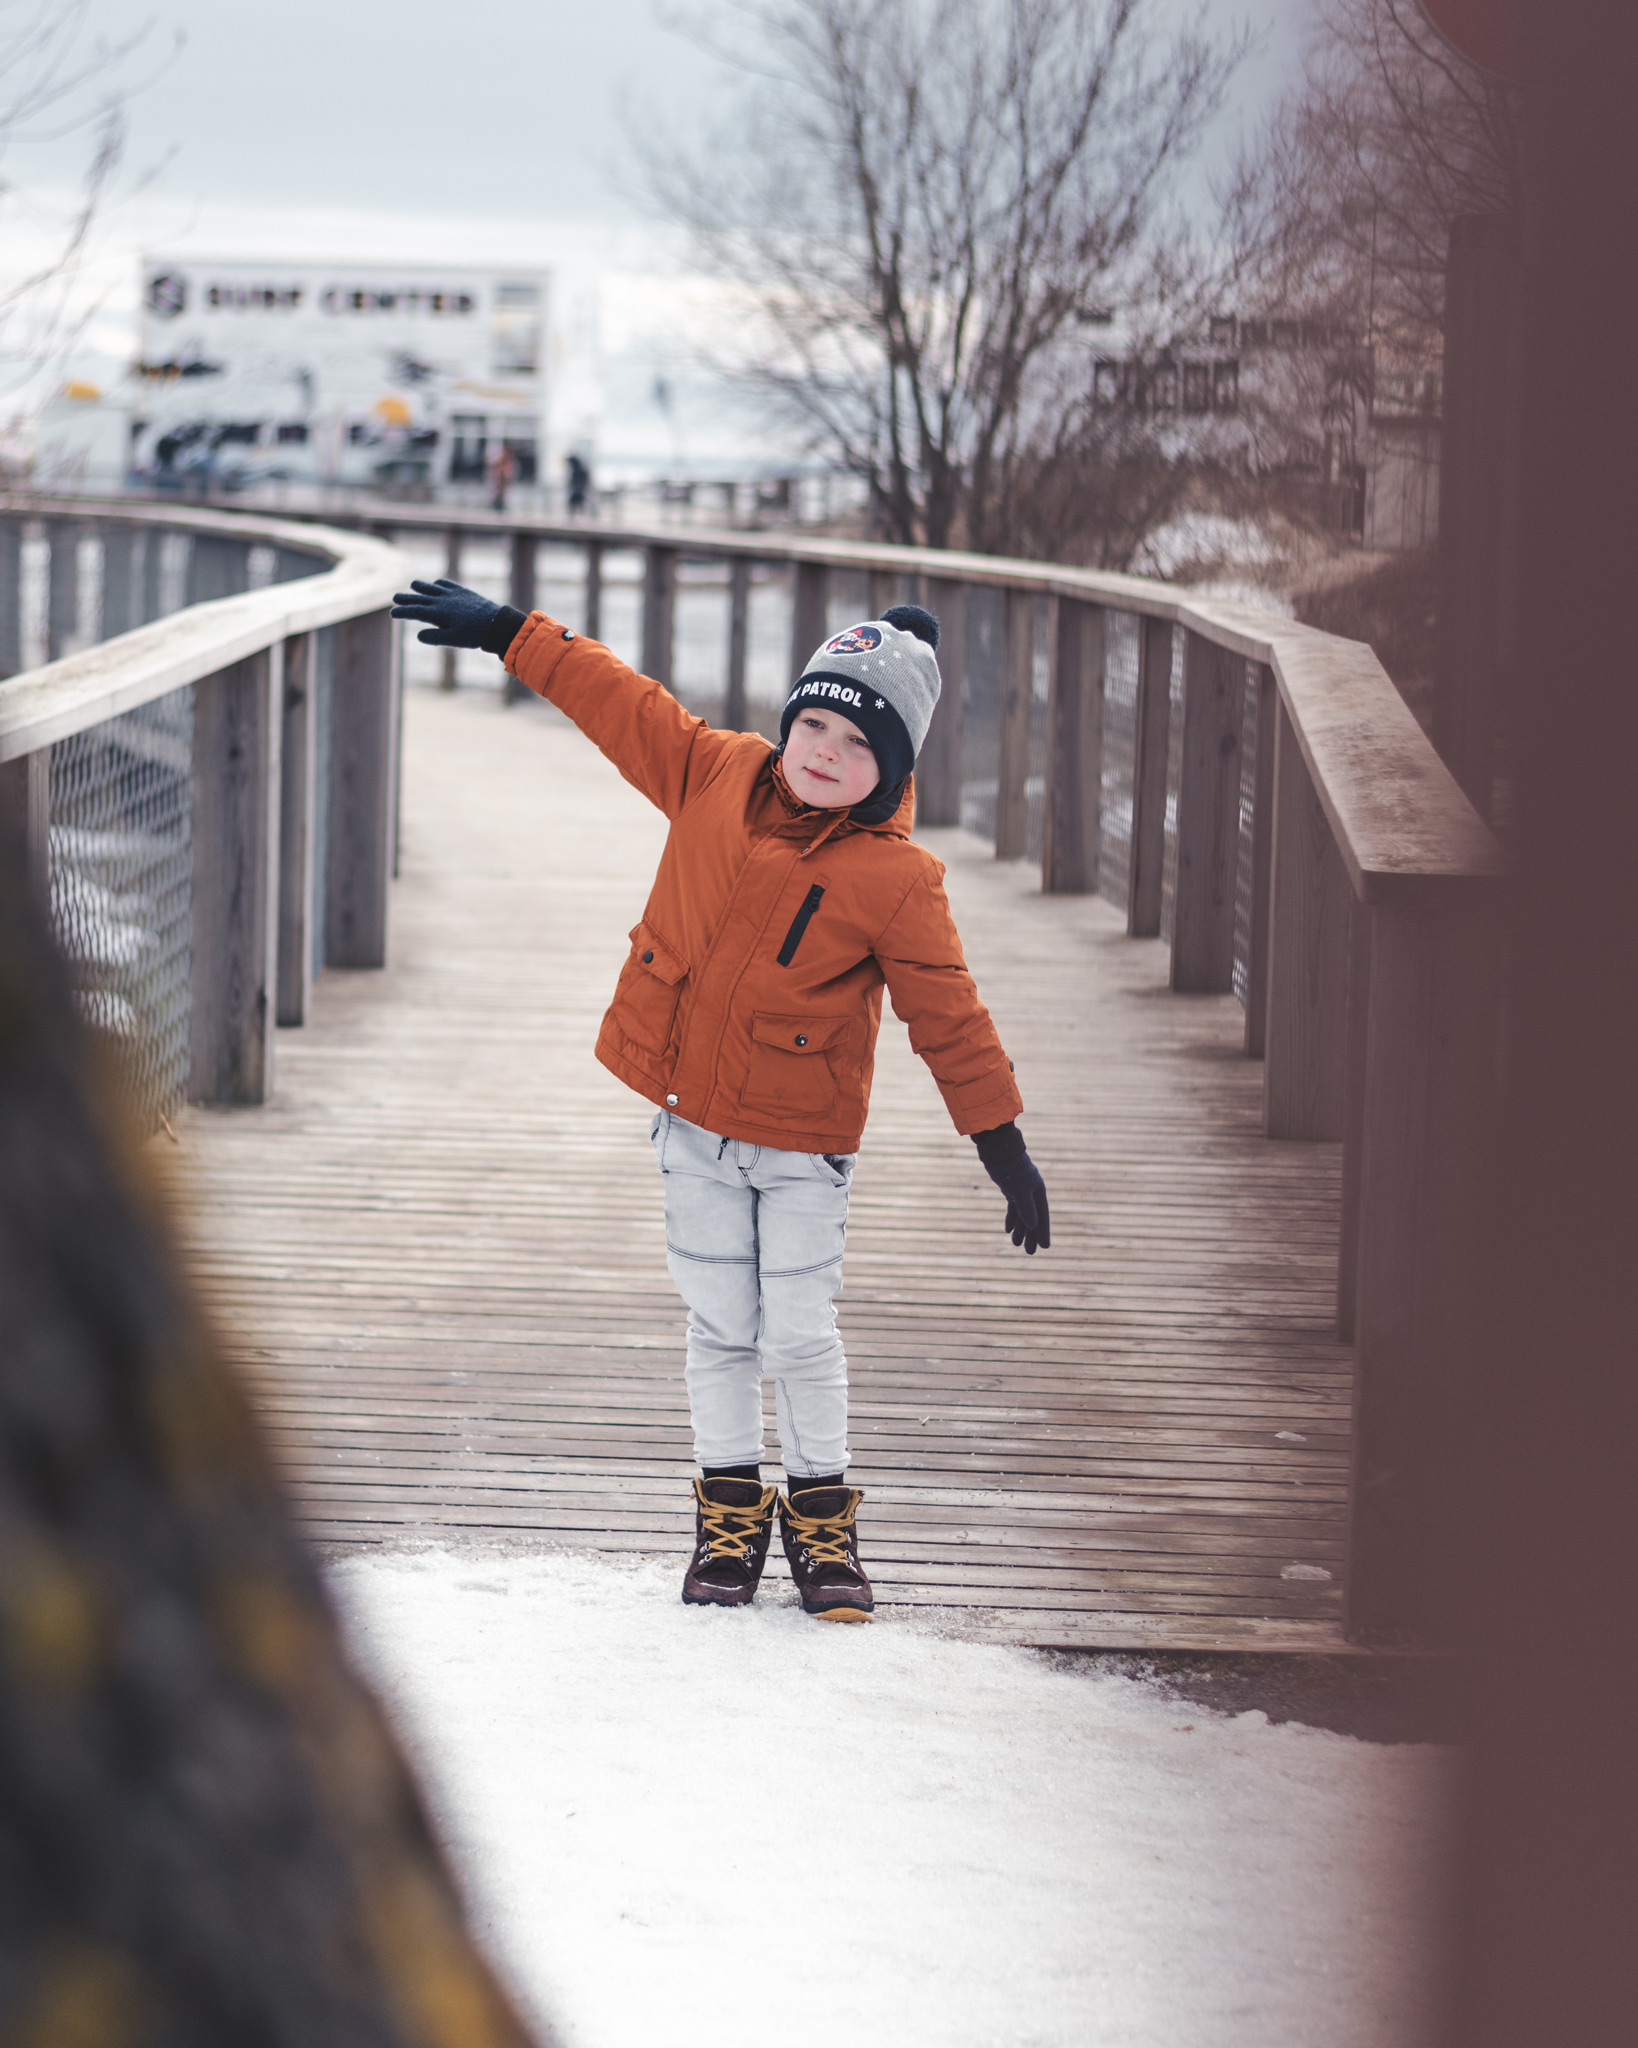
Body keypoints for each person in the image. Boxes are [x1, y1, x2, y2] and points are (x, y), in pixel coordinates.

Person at [390, 577, 1051, 1623]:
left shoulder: (897, 878)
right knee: (720, 1324)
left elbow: (949, 1014)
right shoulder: (714, 773)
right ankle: (729, 1514)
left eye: (858, 743)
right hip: (692, 1122)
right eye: (816, 721)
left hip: (802, 1146)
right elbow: (619, 701)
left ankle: (824, 1518)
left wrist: (1000, 1141)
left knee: (797, 1329)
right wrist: (513, 632)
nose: (825, 750)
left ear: (893, 773)